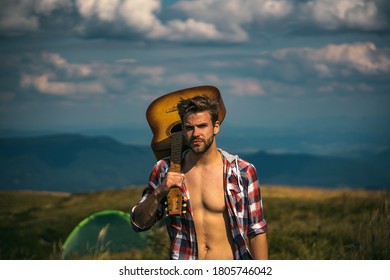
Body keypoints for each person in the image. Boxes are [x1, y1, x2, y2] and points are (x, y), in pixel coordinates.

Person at [131, 95, 268, 260]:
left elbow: (256, 231)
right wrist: (160, 191)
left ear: (216, 126)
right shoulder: (164, 169)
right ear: (182, 129)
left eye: (202, 126)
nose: (196, 133)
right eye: (189, 128)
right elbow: (138, 224)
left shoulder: (242, 172)